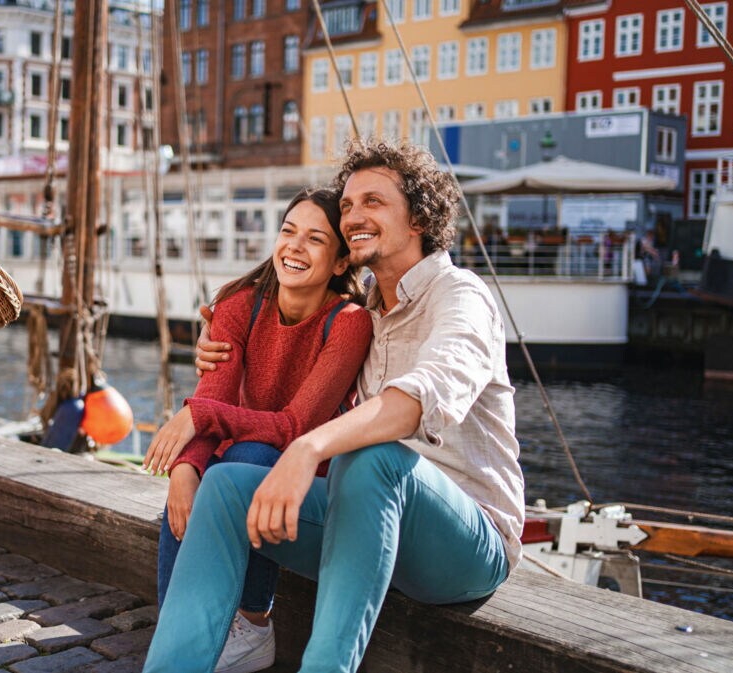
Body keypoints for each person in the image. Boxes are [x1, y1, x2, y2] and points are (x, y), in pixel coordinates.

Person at [144, 139, 525, 673]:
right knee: (228, 485)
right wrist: (218, 356)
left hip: (467, 546)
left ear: (418, 215)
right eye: (346, 206)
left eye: (373, 202)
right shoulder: (364, 314)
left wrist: (307, 446)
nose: (353, 216)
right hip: (365, 527)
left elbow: (420, 398)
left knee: (373, 457)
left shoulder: (460, 296)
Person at [142, 187, 373, 673]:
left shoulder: (348, 323)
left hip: (305, 480)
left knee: (251, 456)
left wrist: (199, 417)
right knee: (209, 473)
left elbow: (293, 428)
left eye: (315, 239)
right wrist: (186, 468)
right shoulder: (237, 304)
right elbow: (216, 396)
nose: (294, 246)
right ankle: (177, 640)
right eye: (288, 232)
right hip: (237, 465)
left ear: (337, 262)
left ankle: (250, 623)